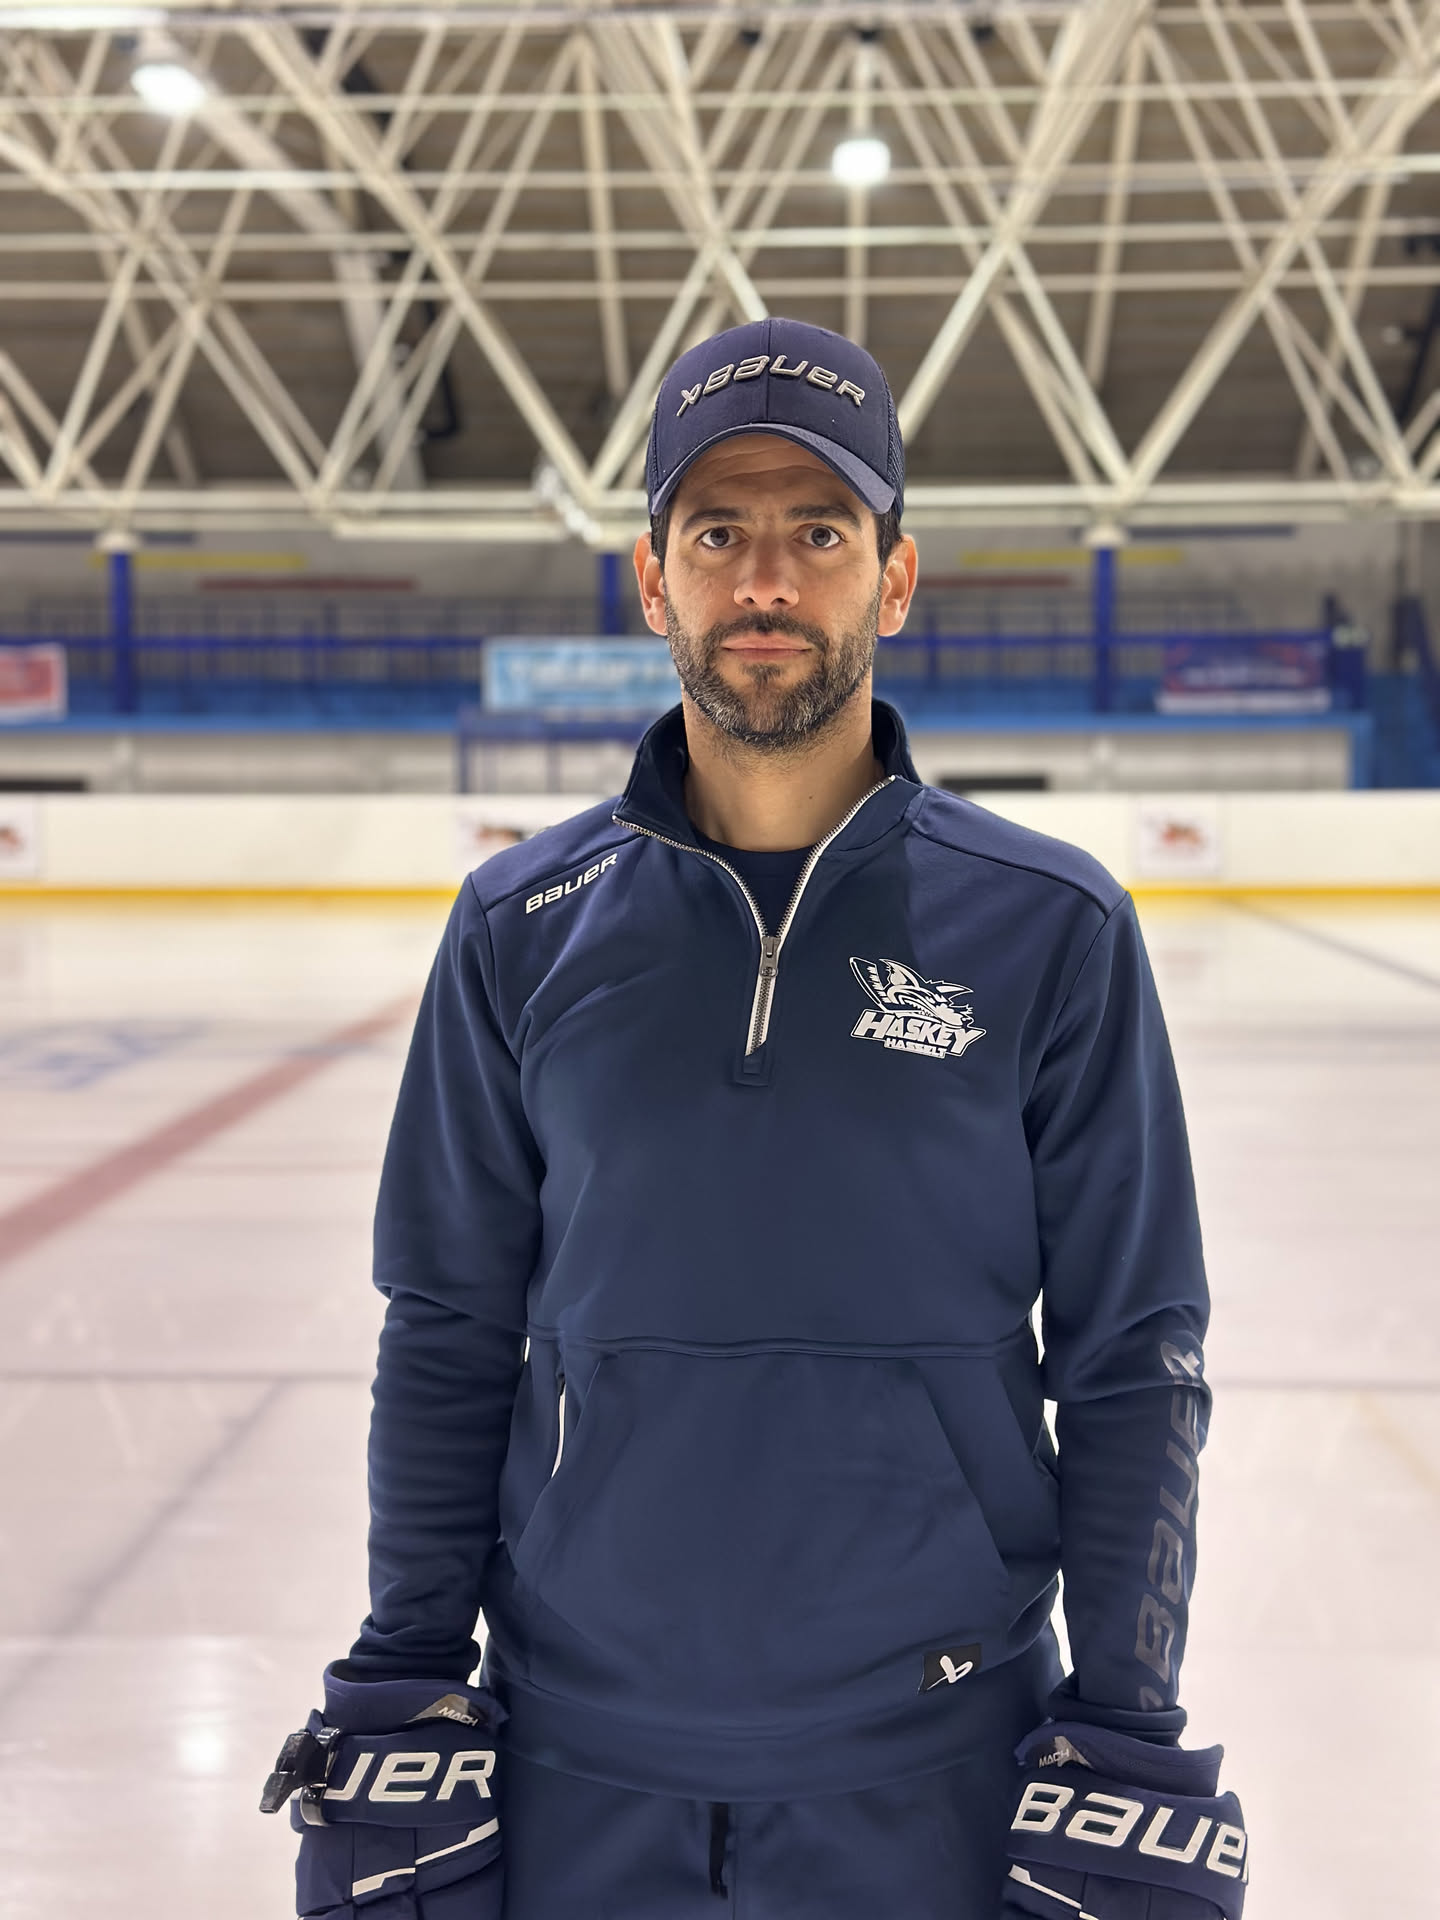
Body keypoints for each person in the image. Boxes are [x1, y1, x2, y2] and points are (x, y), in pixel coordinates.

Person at [262, 318, 1248, 1919]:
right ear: (653, 584)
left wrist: (1125, 1725)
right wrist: (403, 1678)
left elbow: (1137, 1357)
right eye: (717, 533)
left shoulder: (1050, 928)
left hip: (940, 1772)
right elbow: (446, 1324)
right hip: (578, 1768)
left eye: (821, 532)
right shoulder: (520, 926)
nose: (766, 580)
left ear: (895, 579)